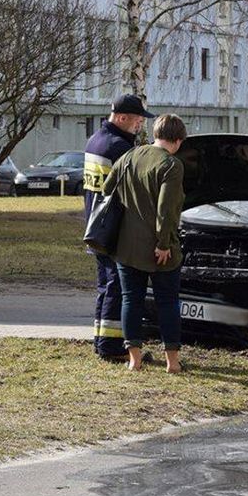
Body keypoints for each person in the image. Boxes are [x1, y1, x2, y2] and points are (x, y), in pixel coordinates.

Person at [103, 114, 187, 373]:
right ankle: (172, 363)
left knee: (131, 301)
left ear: (155, 135)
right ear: (179, 140)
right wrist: (164, 244)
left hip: (126, 247)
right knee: (168, 302)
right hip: (159, 249)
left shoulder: (130, 156)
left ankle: (134, 360)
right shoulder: (172, 165)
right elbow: (166, 211)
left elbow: (107, 188)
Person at [83, 94, 153, 362]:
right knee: (116, 287)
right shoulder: (118, 147)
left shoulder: (95, 141)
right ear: (122, 118)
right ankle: (112, 348)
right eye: (137, 121)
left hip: (95, 225)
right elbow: (133, 191)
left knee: (104, 286)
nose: (139, 126)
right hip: (114, 227)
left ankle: (101, 341)